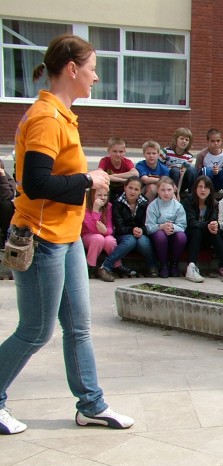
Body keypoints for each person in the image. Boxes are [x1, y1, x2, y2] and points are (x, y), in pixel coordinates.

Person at [0, 34, 133, 435]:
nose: (96, 77)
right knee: (35, 331)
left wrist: (88, 185)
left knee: (77, 327)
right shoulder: (46, 118)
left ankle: (91, 405)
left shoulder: (62, 115)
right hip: (41, 239)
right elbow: (35, 183)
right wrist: (88, 180)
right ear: (72, 69)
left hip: (66, 236)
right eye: (93, 68)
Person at [100, 176, 158, 280]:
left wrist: (142, 230)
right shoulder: (117, 203)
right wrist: (132, 230)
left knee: (143, 241)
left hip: (140, 234)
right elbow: (118, 227)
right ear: (125, 187)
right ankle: (105, 266)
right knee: (131, 240)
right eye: (130, 188)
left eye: (136, 189)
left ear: (140, 191)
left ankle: (152, 267)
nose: (133, 192)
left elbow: (147, 224)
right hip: (122, 235)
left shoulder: (144, 203)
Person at [182, 175, 223, 282]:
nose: (203, 190)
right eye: (200, 187)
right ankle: (191, 268)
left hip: (206, 237)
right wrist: (207, 225)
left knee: (213, 231)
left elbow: (213, 221)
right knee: (197, 231)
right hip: (190, 236)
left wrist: (214, 225)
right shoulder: (188, 200)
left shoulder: (214, 203)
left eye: (206, 187)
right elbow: (190, 222)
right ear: (195, 188)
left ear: (210, 190)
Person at [145, 176, 187, 278]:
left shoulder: (178, 206)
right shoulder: (153, 206)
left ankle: (174, 264)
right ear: (158, 190)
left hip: (173, 234)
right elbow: (149, 227)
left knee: (181, 237)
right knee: (160, 236)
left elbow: (182, 225)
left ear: (174, 189)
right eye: (163, 190)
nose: (166, 193)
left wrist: (172, 227)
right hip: (158, 236)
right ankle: (163, 265)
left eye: (169, 190)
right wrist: (162, 226)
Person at [81, 183, 120, 278]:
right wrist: (95, 210)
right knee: (98, 238)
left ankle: (117, 266)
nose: (103, 197)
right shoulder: (85, 207)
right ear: (92, 195)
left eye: (105, 195)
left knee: (110, 241)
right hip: (88, 235)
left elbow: (110, 229)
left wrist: (105, 231)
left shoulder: (108, 206)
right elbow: (92, 229)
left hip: (104, 234)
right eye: (99, 195)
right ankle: (90, 266)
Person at [194, 128, 223, 194]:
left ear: (221, 141)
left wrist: (218, 170)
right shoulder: (202, 154)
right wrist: (210, 171)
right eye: (212, 141)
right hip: (205, 181)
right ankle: (206, 193)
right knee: (207, 170)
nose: (216, 143)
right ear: (208, 141)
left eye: (218, 141)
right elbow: (197, 171)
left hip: (217, 182)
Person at [160, 127, 196, 196]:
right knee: (175, 170)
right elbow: (159, 166)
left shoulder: (189, 156)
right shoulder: (166, 151)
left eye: (187, 140)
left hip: (181, 182)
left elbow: (187, 173)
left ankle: (192, 195)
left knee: (192, 170)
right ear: (176, 139)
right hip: (168, 180)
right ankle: (173, 195)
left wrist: (184, 170)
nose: (184, 141)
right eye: (181, 138)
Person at [0, 158, 17, 252]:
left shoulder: (5, 177)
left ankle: (4, 236)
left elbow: (8, 196)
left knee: (7, 205)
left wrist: (2, 178)